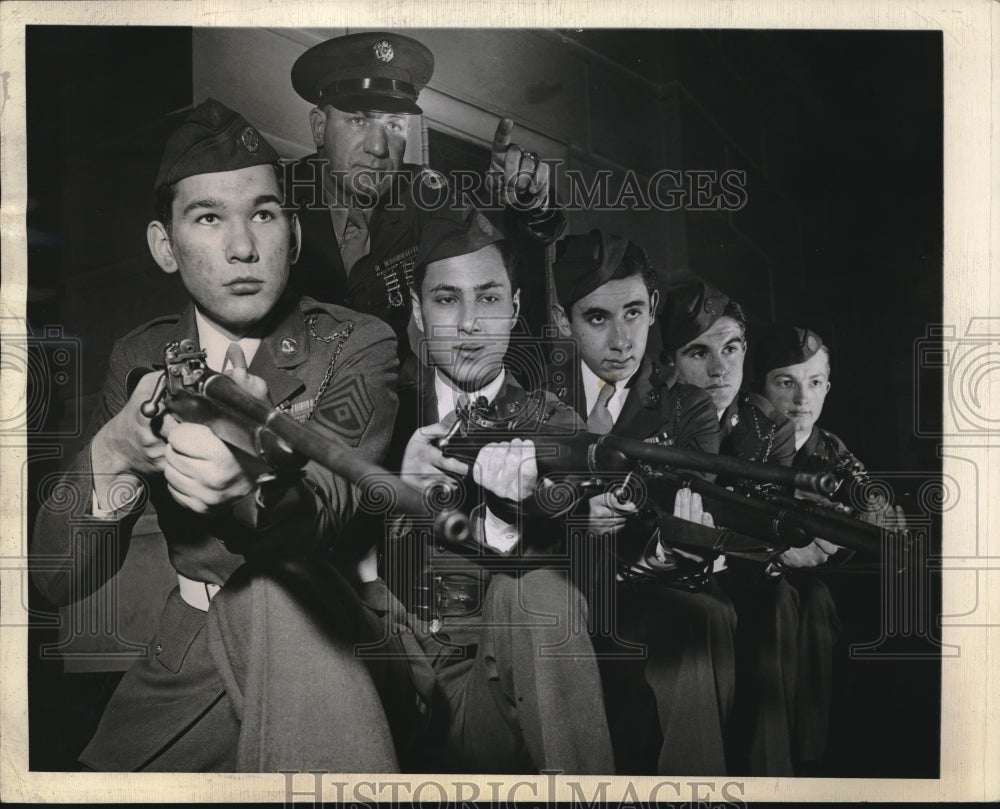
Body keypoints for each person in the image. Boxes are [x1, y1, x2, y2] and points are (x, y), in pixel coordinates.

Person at [31, 100, 403, 772]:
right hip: (190, 650)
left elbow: (337, 491)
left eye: (263, 213)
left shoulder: (358, 339)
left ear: (291, 234)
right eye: (208, 217)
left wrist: (255, 488)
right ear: (165, 246)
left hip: (330, 628)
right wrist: (113, 451)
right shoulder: (139, 358)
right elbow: (57, 577)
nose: (242, 246)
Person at [389, 209, 614, 774]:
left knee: (541, 593)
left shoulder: (557, 425)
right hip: (386, 677)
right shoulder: (379, 412)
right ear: (418, 311)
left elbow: (580, 588)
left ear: (514, 309)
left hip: (494, 693)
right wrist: (402, 497)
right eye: (446, 300)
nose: (469, 324)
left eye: (488, 299)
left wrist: (511, 523)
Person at [547, 230, 736, 775]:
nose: (621, 339)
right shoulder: (534, 397)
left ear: (653, 307)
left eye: (633, 312)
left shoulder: (688, 409)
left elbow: (693, 507)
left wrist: (664, 550)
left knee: (698, 622)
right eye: (597, 319)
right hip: (562, 590)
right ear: (564, 322)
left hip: (649, 592)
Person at [286, 31, 565, 360]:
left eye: (393, 126)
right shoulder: (274, 195)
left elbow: (492, 242)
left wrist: (528, 205)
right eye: (358, 120)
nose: (377, 147)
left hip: (390, 392)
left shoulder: (421, 193)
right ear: (319, 127)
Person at [659, 279, 802, 776]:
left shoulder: (770, 429)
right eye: (698, 351)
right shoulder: (653, 418)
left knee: (777, 598)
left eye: (731, 348)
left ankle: (773, 777)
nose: (720, 369)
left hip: (743, 568)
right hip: (669, 572)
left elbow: (771, 523)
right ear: (670, 361)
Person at [755, 323, 904, 771]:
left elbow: (872, 499)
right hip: (750, 569)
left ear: (828, 386)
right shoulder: (746, 437)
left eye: (815, 383)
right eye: (786, 383)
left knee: (822, 603)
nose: (803, 399)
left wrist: (876, 513)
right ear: (760, 386)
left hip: (810, 578)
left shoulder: (831, 450)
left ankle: (813, 757)